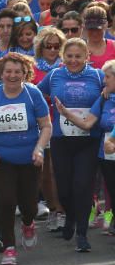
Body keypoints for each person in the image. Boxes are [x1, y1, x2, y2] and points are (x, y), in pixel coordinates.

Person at [0, 53, 52, 265]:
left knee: (30, 206)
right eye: (8, 71)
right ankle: (9, 247)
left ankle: (28, 223)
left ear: (25, 73)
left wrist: (39, 149)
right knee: (7, 201)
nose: (12, 75)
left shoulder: (32, 93)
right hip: (2, 158)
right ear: (1, 72)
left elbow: (46, 126)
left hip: (29, 158)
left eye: (18, 71)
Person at [39, 38, 105, 252]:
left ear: (87, 57)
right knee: (65, 189)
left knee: (83, 186)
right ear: (63, 57)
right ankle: (70, 217)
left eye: (78, 56)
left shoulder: (97, 75)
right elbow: (37, 93)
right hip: (61, 139)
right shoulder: (55, 75)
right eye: (69, 56)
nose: (74, 60)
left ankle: (82, 234)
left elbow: (111, 90)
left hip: (89, 139)